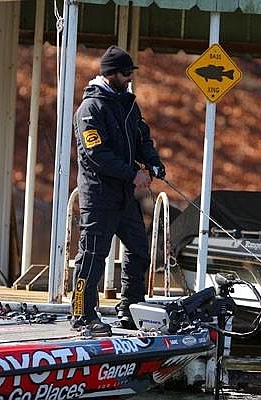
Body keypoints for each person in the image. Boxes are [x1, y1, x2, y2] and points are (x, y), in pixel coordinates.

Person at [71, 45, 166, 335]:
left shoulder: (127, 104)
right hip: (99, 196)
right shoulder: (90, 109)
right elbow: (95, 154)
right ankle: (82, 315)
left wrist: (153, 162)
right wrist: (133, 174)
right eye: (126, 73)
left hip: (124, 197)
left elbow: (142, 137)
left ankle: (131, 311)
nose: (129, 78)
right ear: (111, 74)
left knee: (139, 250)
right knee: (92, 256)